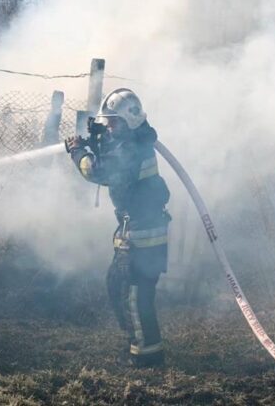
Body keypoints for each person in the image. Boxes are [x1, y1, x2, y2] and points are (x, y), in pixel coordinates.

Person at [66, 88, 171, 367]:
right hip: (137, 234)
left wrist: (78, 153)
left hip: (142, 238)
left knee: (135, 296)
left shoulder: (131, 149)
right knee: (118, 286)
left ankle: (147, 356)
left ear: (129, 121)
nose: (109, 127)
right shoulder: (135, 140)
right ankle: (137, 342)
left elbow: (97, 171)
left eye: (114, 122)